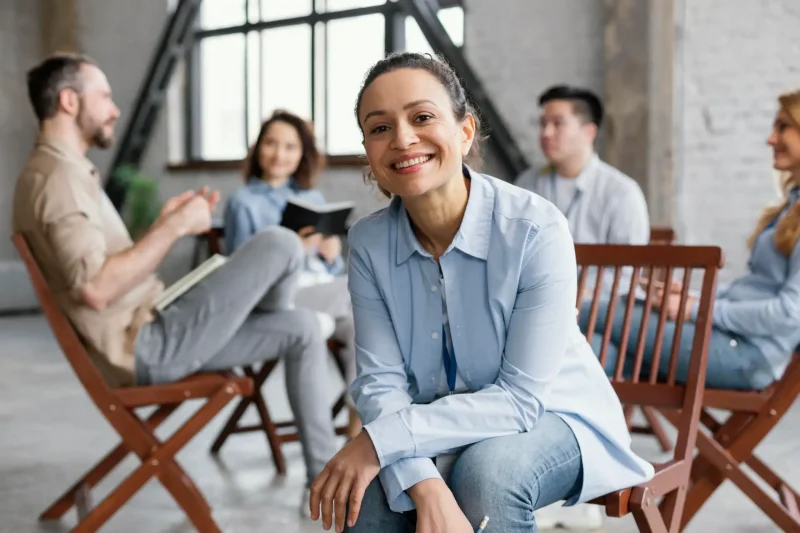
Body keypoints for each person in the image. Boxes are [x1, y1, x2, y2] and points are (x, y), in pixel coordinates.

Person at [306, 52, 654, 533]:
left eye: (422, 117)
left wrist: (379, 441)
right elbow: (380, 382)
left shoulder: (535, 228)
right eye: (380, 127)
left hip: (555, 414)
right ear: (368, 149)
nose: (403, 138)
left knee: (486, 477)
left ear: (465, 132)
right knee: (366, 496)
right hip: (441, 424)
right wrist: (421, 482)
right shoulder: (368, 242)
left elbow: (519, 401)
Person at [12, 53, 339, 512]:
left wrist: (165, 222)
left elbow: (104, 270)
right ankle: (267, 304)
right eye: (104, 96)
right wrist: (176, 228)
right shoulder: (57, 179)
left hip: (153, 324)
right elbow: (96, 290)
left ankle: (322, 485)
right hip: (144, 346)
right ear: (69, 101)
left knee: (302, 328)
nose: (115, 108)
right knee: (281, 243)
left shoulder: (67, 171)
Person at [582, 89, 800, 393]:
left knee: (592, 310)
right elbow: (751, 291)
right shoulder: (791, 208)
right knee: (594, 349)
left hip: (746, 353)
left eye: (782, 127)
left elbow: (791, 314)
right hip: (730, 338)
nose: (770, 139)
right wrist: (692, 298)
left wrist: (695, 310)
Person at [223, 110, 361, 439]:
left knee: (366, 326)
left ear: (302, 154)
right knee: (363, 294)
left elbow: (330, 269)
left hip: (321, 291)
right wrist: (294, 247)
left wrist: (329, 254)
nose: (279, 154)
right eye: (271, 144)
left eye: (289, 147)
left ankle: (357, 428)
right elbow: (241, 274)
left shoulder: (312, 199)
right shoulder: (243, 203)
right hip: (280, 297)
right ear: (258, 148)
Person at [516, 86, 649, 312]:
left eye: (558, 123)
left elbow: (628, 273)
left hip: (603, 309)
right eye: (543, 124)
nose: (546, 133)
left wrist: (574, 290)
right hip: (539, 303)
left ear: (588, 132)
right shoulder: (527, 185)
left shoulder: (621, 192)